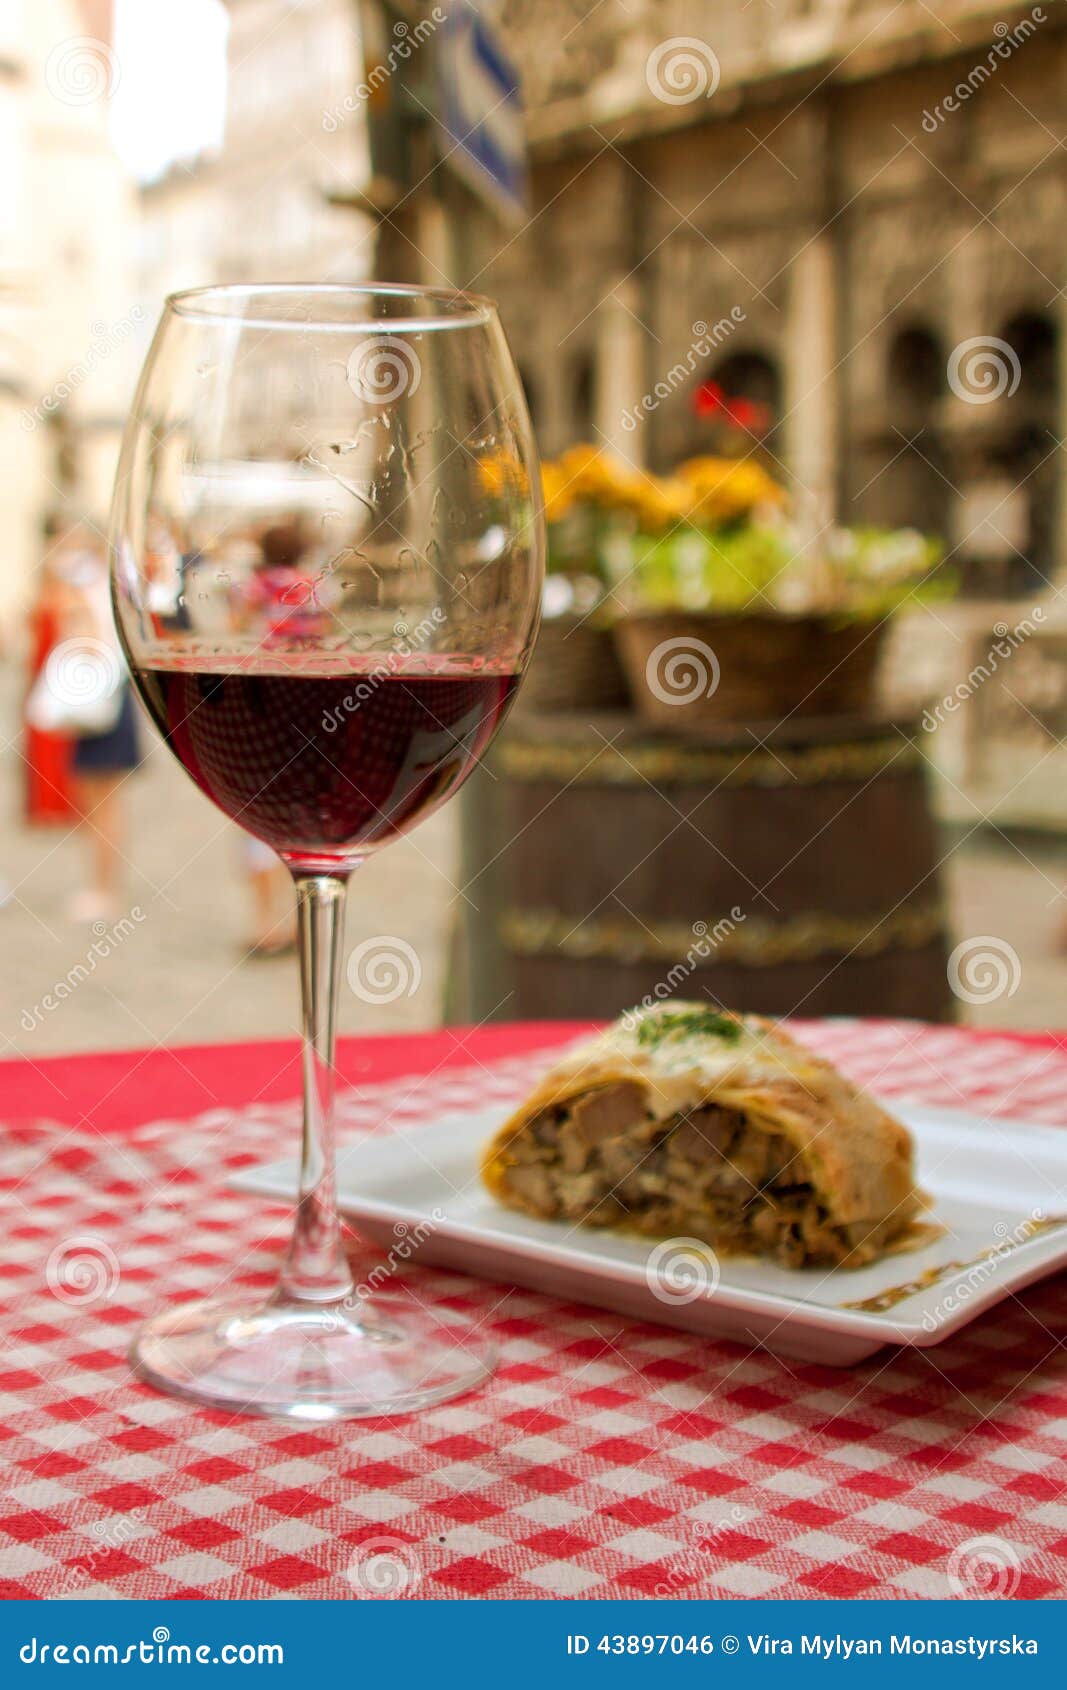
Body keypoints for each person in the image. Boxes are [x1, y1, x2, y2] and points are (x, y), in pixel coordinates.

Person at [63, 536, 141, 923]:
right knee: (103, 804)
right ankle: (104, 887)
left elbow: (87, 647)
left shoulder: (87, 595)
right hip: (110, 697)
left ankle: (103, 890)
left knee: (102, 805)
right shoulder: (116, 592)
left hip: (100, 700)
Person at [23, 521, 78, 826]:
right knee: (43, 737)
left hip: (56, 672)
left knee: (57, 739)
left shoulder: (65, 599)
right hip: (42, 670)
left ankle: (58, 802)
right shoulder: (45, 598)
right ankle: (46, 804)